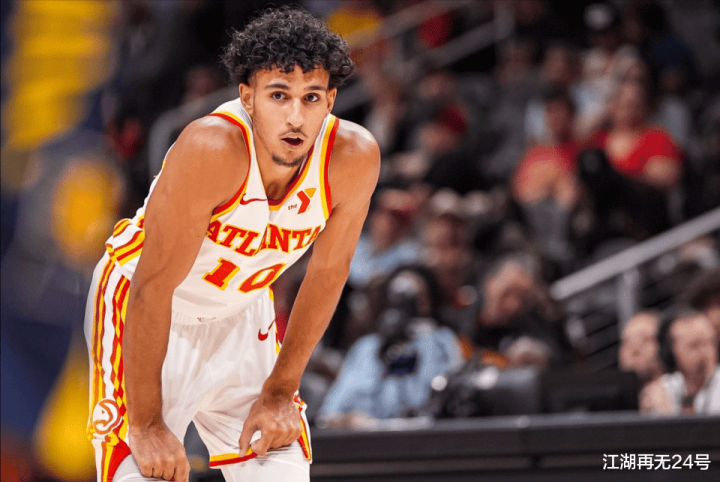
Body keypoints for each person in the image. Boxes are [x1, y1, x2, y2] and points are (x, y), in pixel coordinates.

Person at [84, 8, 379, 482]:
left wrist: (280, 391)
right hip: (149, 311)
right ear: (248, 97)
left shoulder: (353, 157)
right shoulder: (212, 148)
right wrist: (147, 423)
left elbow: (328, 274)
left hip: (242, 314)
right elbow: (152, 289)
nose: (295, 116)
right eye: (278, 95)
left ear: (330, 100)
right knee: (146, 472)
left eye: (311, 97)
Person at [640, 309, 720, 415]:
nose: (705, 353)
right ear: (672, 352)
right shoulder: (663, 389)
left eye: (710, 343)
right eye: (694, 346)